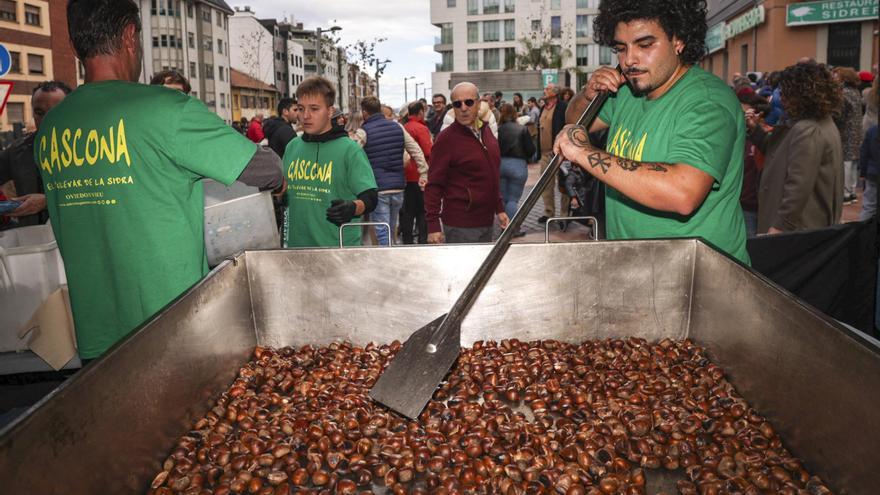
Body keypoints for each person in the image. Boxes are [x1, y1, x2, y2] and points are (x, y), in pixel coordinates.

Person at [37, 0, 283, 360]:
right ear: (131, 36)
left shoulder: (53, 127)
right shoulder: (167, 110)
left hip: (96, 337)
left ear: (74, 46)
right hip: (171, 331)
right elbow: (267, 171)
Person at [556, 0, 749, 263]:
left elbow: (682, 193)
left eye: (645, 45)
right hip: (636, 269)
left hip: (699, 277)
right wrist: (588, 95)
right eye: (621, 48)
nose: (629, 60)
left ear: (678, 40)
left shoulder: (708, 101)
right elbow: (576, 122)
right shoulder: (627, 91)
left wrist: (584, 153)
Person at [282, 77, 377, 248]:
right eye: (301, 109)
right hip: (295, 248)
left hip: (338, 250)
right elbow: (283, 191)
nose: (306, 116)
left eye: (314, 109)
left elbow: (370, 198)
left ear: (330, 111)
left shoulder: (350, 150)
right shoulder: (292, 147)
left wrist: (352, 208)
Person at [748, 62, 843, 234]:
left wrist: (778, 226)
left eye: (785, 91)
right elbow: (778, 152)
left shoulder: (807, 129)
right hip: (807, 226)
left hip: (797, 230)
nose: (781, 96)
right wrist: (756, 130)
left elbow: (798, 186)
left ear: (801, 94)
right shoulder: (820, 122)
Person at [426, 82, 509, 244]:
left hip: (486, 220)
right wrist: (433, 225)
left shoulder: (487, 132)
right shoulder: (446, 139)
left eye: (469, 102)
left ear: (478, 104)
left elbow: (492, 174)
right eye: (457, 104)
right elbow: (434, 185)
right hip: (460, 223)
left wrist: (499, 208)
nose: (463, 108)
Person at [0, 81, 71, 227]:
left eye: (56, 111)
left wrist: (47, 201)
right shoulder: (18, 151)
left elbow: (103, 192)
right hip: (35, 242)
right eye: (39, 113)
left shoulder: (90, 147)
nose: (46, 119)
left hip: (80, 239)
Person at [360, 96, 407, 246]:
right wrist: (423, 171)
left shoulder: (364, 131)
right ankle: (392, 255)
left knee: (382, 230)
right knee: (391, 228)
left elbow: (352, 154)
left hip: (379, 187)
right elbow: (415, 150)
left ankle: (386, 260)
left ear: (364, 112)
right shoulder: (397, 127)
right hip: (398, 186)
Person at [498, 103, 535, 236]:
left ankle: (503, 226)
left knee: (504, 199)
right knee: (513, 199)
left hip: (500, 164)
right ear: (515, 114)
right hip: (518, 165)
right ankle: (512, 229)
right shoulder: (522, 129)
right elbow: (531, 149)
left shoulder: (498, 129)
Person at [738, 93, 770, 237]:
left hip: (762, 204)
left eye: (745, 114)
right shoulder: (737, 136)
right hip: (744, 204)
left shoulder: (770, 135)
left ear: (759, 115)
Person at [537, 82, 569, 224]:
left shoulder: (562, 107)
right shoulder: (543, 107)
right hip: (545, 154)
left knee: (563, 184)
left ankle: (564, 214)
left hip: (560, 153)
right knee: (545, 184)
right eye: (545, 88)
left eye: (548, 89)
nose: (545, 90)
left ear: (555, 93)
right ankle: (548, 212)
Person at [833, 67, 865, 205]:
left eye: (837, 75)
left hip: (846, 130)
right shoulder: (855, 91)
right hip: (856, 129)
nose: (834, 77)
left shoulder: (843, 92)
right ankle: (851, 192)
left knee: (846, 162)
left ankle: (845, 194)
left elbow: (839, 114)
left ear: (843, 78)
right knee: (852, 163)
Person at [401, 101, 432, 244]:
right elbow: (428, 151)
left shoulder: (404, 127)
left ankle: (406, 240)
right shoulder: (421, 128)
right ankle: (422, 240)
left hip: (405, 176)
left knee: (407, 212)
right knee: (422, 212)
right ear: (421, 112)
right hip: (419, 176)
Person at [860, 124, 879, 221]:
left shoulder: (872, 130)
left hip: (873, 172)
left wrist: (863, 173)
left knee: (869, 207)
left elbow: (864, 153)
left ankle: (861, 233)